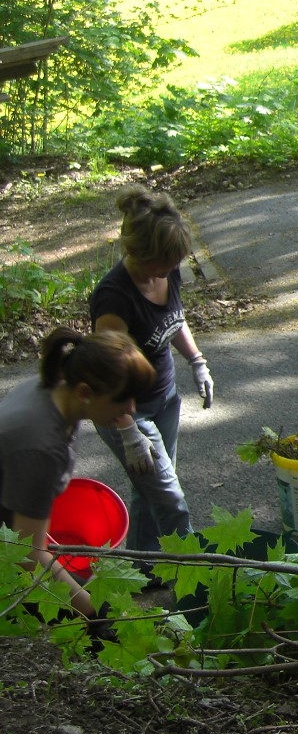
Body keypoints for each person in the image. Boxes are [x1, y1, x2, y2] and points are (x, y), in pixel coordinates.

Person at [90, 186, 214, 556]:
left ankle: (144, 568)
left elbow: (174, 319)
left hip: (165, 400)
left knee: (151, 492)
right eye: (165, 263)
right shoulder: (114, 298)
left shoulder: (167, 272)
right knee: (171, 500)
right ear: (137, 253)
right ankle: (194, 571)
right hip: (128, 411)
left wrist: (197, 361)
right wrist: (128, 432)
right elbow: (108, 374)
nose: (172, 270)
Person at [0, 328, 155, 619]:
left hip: (12, 528)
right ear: (85, 392)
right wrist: (91, 611)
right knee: (102, 617)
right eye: (122, 399)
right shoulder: (41, 445)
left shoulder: (56, 389)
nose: (131, 408)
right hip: (12, 549)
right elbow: (26, 553)